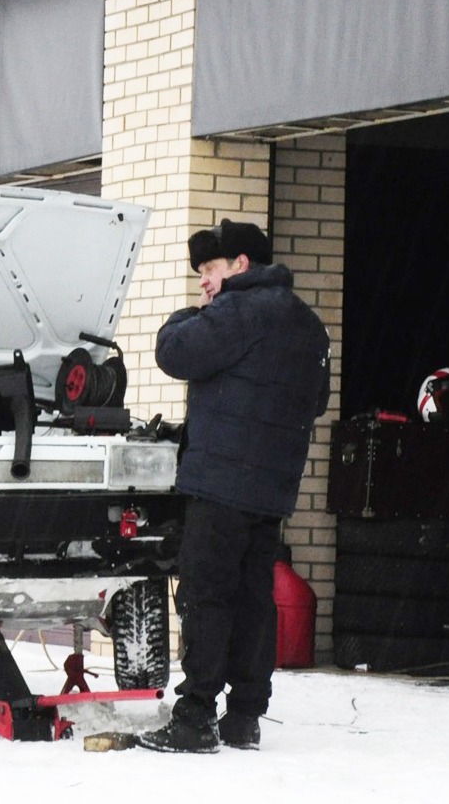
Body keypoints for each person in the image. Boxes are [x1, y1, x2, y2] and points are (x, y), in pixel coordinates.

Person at [137, 219, 330, 754]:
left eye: (210, 270)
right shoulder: (310, 327)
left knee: (206, 595)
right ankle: (244, 716)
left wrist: (189, 315)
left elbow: (174, 352)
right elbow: (315, 401)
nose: (204, 282)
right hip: (272, 491)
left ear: (241, 265)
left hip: (220, 484)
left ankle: (194, 715)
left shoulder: (237, 310)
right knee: (253, 599)